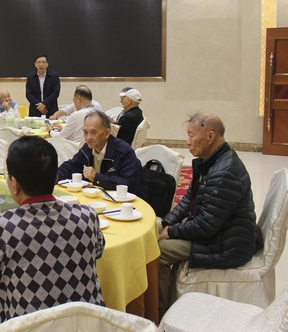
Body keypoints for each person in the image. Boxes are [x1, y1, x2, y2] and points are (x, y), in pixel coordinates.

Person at [0, 136, 105, 323]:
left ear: (15, 184)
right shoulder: (87, 217)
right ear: (55, 179)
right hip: (86, 325)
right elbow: (98, 249)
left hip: (27, 326)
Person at [157, 113, 257, 318]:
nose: (187, 142)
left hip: (226, 243)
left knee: (158, 252)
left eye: (192, 135)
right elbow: (188, 199)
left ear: (210, 136)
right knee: (153, 226)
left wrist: (172, 232)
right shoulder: (211, 161)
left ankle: (160, 311)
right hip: (215, 231)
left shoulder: (224, 172)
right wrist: (168, 222)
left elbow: (206, 226)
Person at [57, 110, 148, 200]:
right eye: (85, 132)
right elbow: (71, 166)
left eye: (93, 132)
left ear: (107, 133)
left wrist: (97, 177)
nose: (88, 138)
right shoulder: (88, 148)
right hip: (100, 199)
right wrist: (55, 176)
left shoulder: (123, 151)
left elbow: (129, 184)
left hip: (127, 202)